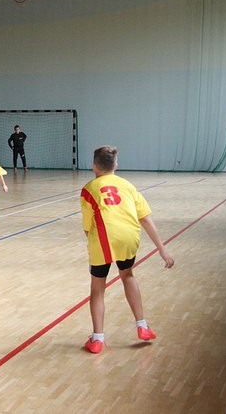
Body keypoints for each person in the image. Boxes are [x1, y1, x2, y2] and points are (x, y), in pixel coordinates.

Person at [80, 145, 175, 354]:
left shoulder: (88, 189)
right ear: (116, 165)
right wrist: (162, 249)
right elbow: (146, 219)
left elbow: (87, 227)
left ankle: (97, 339)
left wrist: (95, 246)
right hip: (130, 237)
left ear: (94, 166)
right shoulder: (129, 186)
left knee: (97, 288)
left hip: (103, 240)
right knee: (127, 275)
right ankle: (142, 326)